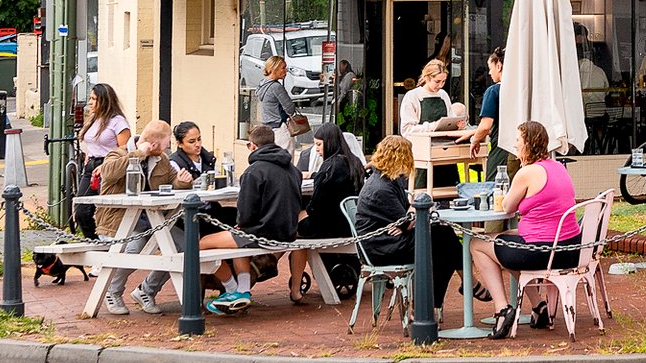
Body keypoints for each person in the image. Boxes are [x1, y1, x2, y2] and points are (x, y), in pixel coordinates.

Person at [470, 120, 583, 338]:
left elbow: (507, 206)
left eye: (517, 140)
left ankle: (502, 309)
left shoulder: (527, 173)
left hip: (543, 251)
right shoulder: (558, 166)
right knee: (504, 242)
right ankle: (539, 305)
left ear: (528, 144)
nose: (514, 145)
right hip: (570, 248)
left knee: (477, 244)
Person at [197, 125, 306, 314]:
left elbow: (246, 212)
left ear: (252, 146)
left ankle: (232, 288)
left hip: (260, 233)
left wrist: (242, 224)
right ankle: (242, 290)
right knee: (237, 240)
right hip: (288, 232)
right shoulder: (293, 170)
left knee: (202, 243)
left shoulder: (253, 172)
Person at [356, 135, 461, 315]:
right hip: (381, 247)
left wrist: (408, 220)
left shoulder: (387, 180)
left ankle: (430, 303)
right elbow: (409, 219)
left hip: (388, 240)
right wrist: (408, 220)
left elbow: (408, 216)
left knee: (443, 235)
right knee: (442, 239)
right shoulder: (382, 188)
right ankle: (429, 304)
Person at [100, 120, 191, 315]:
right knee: (135, 247)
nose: (168, 148)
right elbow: (108, 174)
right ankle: (112, 292)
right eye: (167, 144)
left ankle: (146, 291)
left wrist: (182, 182)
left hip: (153, 219)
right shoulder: (118, 153)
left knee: (184, 247)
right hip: (120, 219)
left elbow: (172, 182)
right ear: (155, 144)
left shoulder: (162, 160)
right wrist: (139, 154)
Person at [296, 121, 366, 295]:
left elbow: (317, 206)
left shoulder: (329, 167)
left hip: (328, 225)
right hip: (349, 222)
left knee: (293, 224)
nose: (316, 149)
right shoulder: (354, 162)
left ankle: (294, 284)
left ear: (330, 142)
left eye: (319, 144)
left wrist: (304, 212)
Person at [76, 83, 132, 238]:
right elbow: (91, 141)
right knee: (81, 210)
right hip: (91, 167)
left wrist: (107, 165)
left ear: (104, 101)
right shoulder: (94, 119)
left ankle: (106, 245)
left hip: (108, 166)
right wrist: (88, 155)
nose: (91, 102)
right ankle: (94, 243)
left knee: (105, 212)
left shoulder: (118, 122)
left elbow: (124, 149)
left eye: (94, 99)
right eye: (90, 98)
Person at [469, 47, 505, 174]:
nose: (489, 73)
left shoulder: (493, 91)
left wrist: (475, 140)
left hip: (501, 147)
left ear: (499, 66)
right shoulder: (523, 89)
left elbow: (485, 126)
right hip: (523, 149)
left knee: (496, 185)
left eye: (491, 68)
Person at [398, 59, 459, 132]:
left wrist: (457, 125)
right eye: (437, 81)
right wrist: (434, 126)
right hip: (420, 141)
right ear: (426, 78)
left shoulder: (443, 94)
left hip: (443, 141)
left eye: (443, 81)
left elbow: (451, 119)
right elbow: (406, 129)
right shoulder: (412, 96)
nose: (440, 85)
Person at [576, 28, 611, 145]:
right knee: (602, 120)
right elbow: (607, 91)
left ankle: (581, 147)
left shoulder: (574, 73)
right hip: (599, 114)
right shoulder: (600, 71)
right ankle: (599, 145)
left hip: (583, 115)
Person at [255, 55, 298, 147]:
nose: (285, 70)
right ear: (274, 68)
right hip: (280, 128)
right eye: (283, 68)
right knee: (285, 159)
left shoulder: (262, 84)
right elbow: (290, 109)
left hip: (268, 129)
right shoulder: (276, 87)